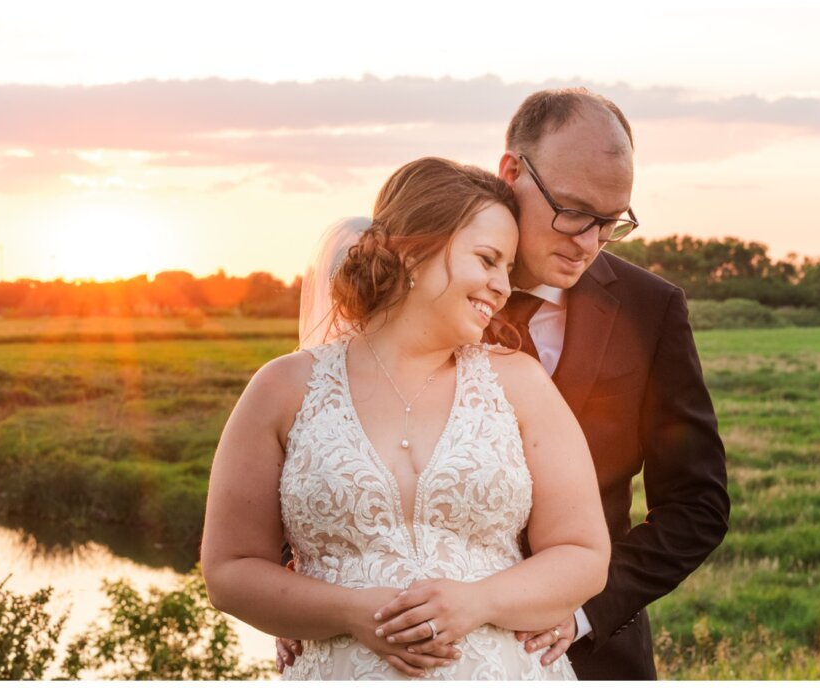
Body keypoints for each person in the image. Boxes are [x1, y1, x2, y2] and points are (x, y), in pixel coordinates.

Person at [278, 88, 731, 680]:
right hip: (389, 652)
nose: (589, 242)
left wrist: (582, 611)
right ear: (513, 170)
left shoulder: (651, 310)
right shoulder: (403, 278)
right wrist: (306, 586)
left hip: (586, 657)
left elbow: (698, 504)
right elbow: (321, 447)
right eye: (572, 211)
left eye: (611, 222)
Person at [202, 157, 611, 679]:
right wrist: (352, 612)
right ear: (415, 251)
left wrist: (477, 602)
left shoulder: (521, 384)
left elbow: (583, 553)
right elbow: (229, 571)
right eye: (487, 260)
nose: (503, 287)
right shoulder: (282, 388)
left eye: (507, 268)